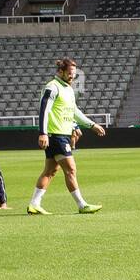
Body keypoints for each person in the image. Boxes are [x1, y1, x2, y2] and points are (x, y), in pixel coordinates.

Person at [29, 57, 105, 215]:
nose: (72, 76)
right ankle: (82, 205)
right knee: (70, 169)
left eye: (74, 74)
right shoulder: (52, 87)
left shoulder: (68, 89)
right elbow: (44, 110)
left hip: (61, 133)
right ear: (60, 71)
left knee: (50, 171)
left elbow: (74, 111)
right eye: (70, 73)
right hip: (56, 135)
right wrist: (42, 133)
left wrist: (91, 125)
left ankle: (34, 204)